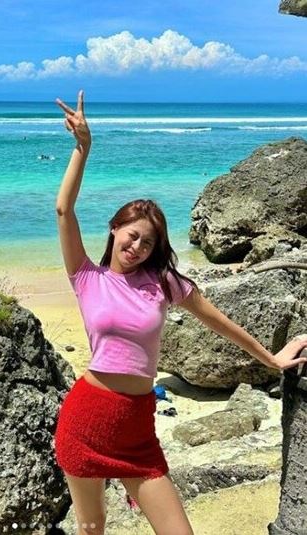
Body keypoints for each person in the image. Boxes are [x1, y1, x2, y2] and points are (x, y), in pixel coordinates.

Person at [53, 90, 307, 535]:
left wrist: (270, 359)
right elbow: (63, 209)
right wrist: (83, 148)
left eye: (147, 242)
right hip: (86, 418)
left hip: (137, 427)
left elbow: (218, 321)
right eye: (132, 235)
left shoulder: (162, 283)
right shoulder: (87, 277)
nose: (137, 247)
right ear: (114, 230)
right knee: (91, 528)